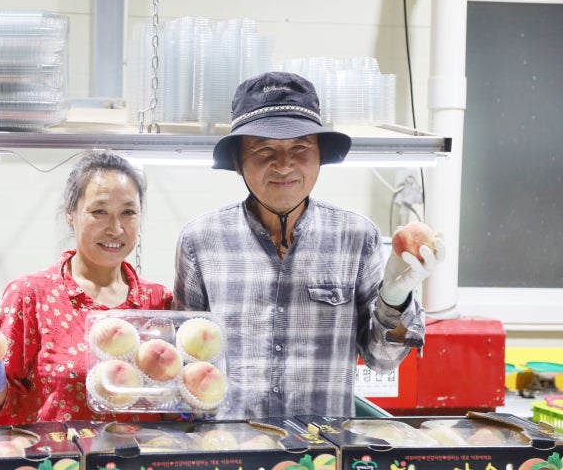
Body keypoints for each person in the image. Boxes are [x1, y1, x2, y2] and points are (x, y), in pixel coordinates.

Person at [172, 71, 445, 419]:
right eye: (264, 148)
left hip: (324, 445)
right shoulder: (200, 241)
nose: (284, 164)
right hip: (229, 443)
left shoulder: (356, 237)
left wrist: (396, 298)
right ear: (238, 162)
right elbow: (185, 363)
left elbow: (382, 360)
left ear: (320, 156)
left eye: (300, 147)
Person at [0, 150, 172, 424]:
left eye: (128, 212)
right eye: (100, 211)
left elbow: (175, 398)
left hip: (143, 452)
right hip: (57, 452)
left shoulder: (158, 301)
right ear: (71, 213)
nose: (116, 228)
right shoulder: (31, 295)